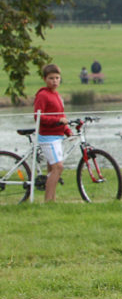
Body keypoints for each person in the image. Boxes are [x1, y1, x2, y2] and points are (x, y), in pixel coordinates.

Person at [32, 64, 71, 202]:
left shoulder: (57, 96)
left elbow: (61, 116)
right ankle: (48, 201)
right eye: (51, 78)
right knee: (58, 168)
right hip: (47, 137)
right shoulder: (42, 95)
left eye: (57, 78)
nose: (54, 81)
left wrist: (67, 131)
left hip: (57, 136)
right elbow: (39, 117)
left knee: (52, 170)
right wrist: (57, 120)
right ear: (44, 79)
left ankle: (52, 200)